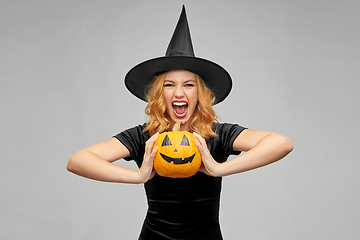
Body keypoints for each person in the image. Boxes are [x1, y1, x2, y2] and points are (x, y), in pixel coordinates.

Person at [67, 6, 293, 240]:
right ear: (159, 93)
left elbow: (281, 144)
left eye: (188, 84)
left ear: (199, 93)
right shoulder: (146, 137)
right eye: (169, 85)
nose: (179, 93)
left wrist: (218, 168)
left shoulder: (217, 135)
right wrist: (138, 176)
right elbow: (78, 161)